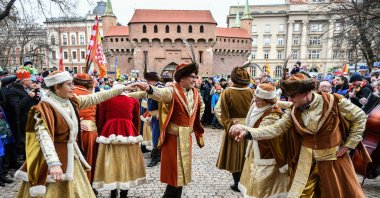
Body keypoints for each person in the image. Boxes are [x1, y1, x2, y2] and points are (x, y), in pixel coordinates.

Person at [230, 73, 366, 198]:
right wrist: (247, 132)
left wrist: (349, 144)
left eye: (293, 96)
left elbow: (360, 117)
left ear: (306, 93)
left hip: (333, 159)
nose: (290, 99)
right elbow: (276, 129)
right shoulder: (293, 110)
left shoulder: (334, 101)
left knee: (335, 193)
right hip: (306, 162)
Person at [15, 71, 136, 198]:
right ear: (57, 87)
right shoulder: (43, 109)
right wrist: (54, 164)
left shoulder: (70, 101)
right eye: (69, 84)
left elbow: (95, 97)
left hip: (71, 156)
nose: (73, 87)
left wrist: (122, 88)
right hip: (52, 161)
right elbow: (44, 138)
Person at [133, 62, 205, 197]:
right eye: (192, 77)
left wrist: (193, 123)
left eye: (196, 77)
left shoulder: (195, 93)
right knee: (174, 172)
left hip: (186, 138)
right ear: (182, 78)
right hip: (173, 138)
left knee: (182, 172)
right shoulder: (172, 91)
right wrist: (148, 88)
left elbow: (200, 108)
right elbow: (159, 93)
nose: (195, 80)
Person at [92, 84, 146, 198]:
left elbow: (100, 119)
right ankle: (124, 192)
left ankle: (112, 190)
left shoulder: (105, 100)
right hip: (129, 132)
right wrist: (136, 135)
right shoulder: (133, 101)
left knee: (110, 161)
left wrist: (101, 132)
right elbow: (136, 121)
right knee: (127, 161)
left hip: (109, 133)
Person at [238, 83, 289, 197]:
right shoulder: (256, 104)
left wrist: (242, 128)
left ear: (267, 101)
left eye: (258, 99)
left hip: (266, 151)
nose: (255, 100)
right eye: (255, 97)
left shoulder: (273, 113)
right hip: (254, 148)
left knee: (263, 185)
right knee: (251, 179)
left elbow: (262, 131)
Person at [215, 66, 253, 192]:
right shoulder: (252, 92)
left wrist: (229, 125)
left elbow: (219, 110)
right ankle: (246, 182)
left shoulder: (227, 92)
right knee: (247, 156)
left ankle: (237, 183)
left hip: (233, 126)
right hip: (249, 127)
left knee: (234, 156)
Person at [5, 68, 40, 162]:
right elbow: (17, 107)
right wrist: (29, 96)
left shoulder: (27, 89)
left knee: (31, 141)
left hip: (30, 119)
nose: (31, 81)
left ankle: (29, 160)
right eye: (29, 79)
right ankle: (26, 162)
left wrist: (36, 94)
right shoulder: (13, 91)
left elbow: (33, 102)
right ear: (23, 81)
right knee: (26, 142)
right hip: (22, 121)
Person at [72, 74, 98, 188]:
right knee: (89, 160)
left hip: (73, 132)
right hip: (89, 132)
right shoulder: (90, 95)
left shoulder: (69, 93)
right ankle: (88, 186)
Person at [144, 71, 165, 167]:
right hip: (154, 115)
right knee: (155, 135)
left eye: (148, 81)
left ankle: (155, 157)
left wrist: (159, 113)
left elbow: (163, 101)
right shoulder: (154, 87)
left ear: (152, 80)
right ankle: (158, 154)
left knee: (156, 136)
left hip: (158, 115)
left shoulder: (160, 87)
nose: (147, 82)